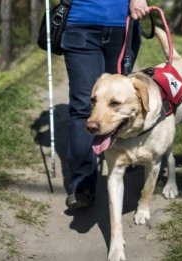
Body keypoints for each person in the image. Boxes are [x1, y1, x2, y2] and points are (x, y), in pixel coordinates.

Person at [62, 0, 150, 208]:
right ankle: (83, 184)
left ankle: (124, 159)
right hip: (79, 23)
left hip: (123, 24)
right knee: (84, 106)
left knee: (120, 102)